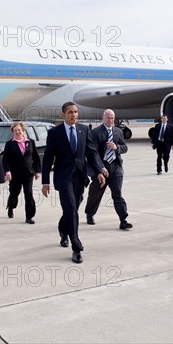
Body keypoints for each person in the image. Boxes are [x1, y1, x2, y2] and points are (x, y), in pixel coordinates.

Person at [41, 102, 106, 264]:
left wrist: (98, 170)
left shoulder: (83, 130)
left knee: (73, 209)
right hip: (63, 178)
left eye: (76, 112)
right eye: (70, 112)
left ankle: (63, 229)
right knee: (71, 208)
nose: (74, 115)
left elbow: (91, 152)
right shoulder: (55, 133)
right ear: (63, 114)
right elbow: (48, 158)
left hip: (80, 176)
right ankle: (76, 247)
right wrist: (45, 182)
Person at [84, 109, 133, 230]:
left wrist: (116, 147)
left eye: (112, 118)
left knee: (117, 194)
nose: (110, 120)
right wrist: (100, 168)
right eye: (108, 118)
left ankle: (123, 219)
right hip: (100, 167)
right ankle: (90, 213)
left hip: (116, 167)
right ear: (103, 118)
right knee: (95, 193)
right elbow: (92, 153)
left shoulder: (118, 131)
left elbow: (125, 147)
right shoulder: (95, 133)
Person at [2, 121, 41, 224]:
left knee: (28, 194)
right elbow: (5, 159)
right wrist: (7, 171)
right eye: (15, 131)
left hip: (28, 173)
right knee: (14, 193)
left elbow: (35, 157)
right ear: (13, 132)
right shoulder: (9, 144)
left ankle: (29, 216)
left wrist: (37, 171)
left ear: (23, 130)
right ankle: (10, 207)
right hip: (15, 174)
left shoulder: (30, 142)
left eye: (19, 130)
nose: (17, 132)